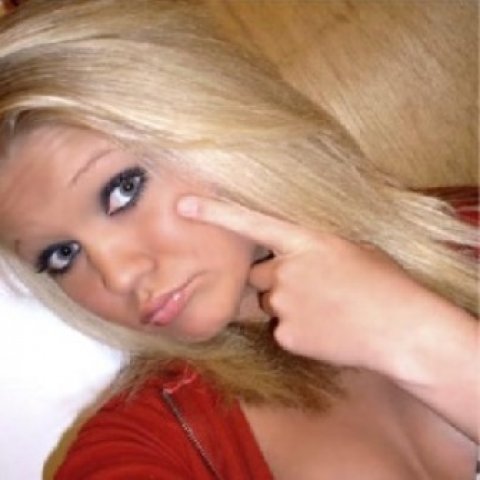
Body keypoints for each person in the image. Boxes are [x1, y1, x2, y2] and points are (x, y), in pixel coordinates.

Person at [0, 1, 477, 478]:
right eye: (62, 255)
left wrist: (416, 337)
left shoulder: (465, 234)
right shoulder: (143, 444)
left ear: (215, 121)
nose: (118, 275)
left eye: (123, 191)